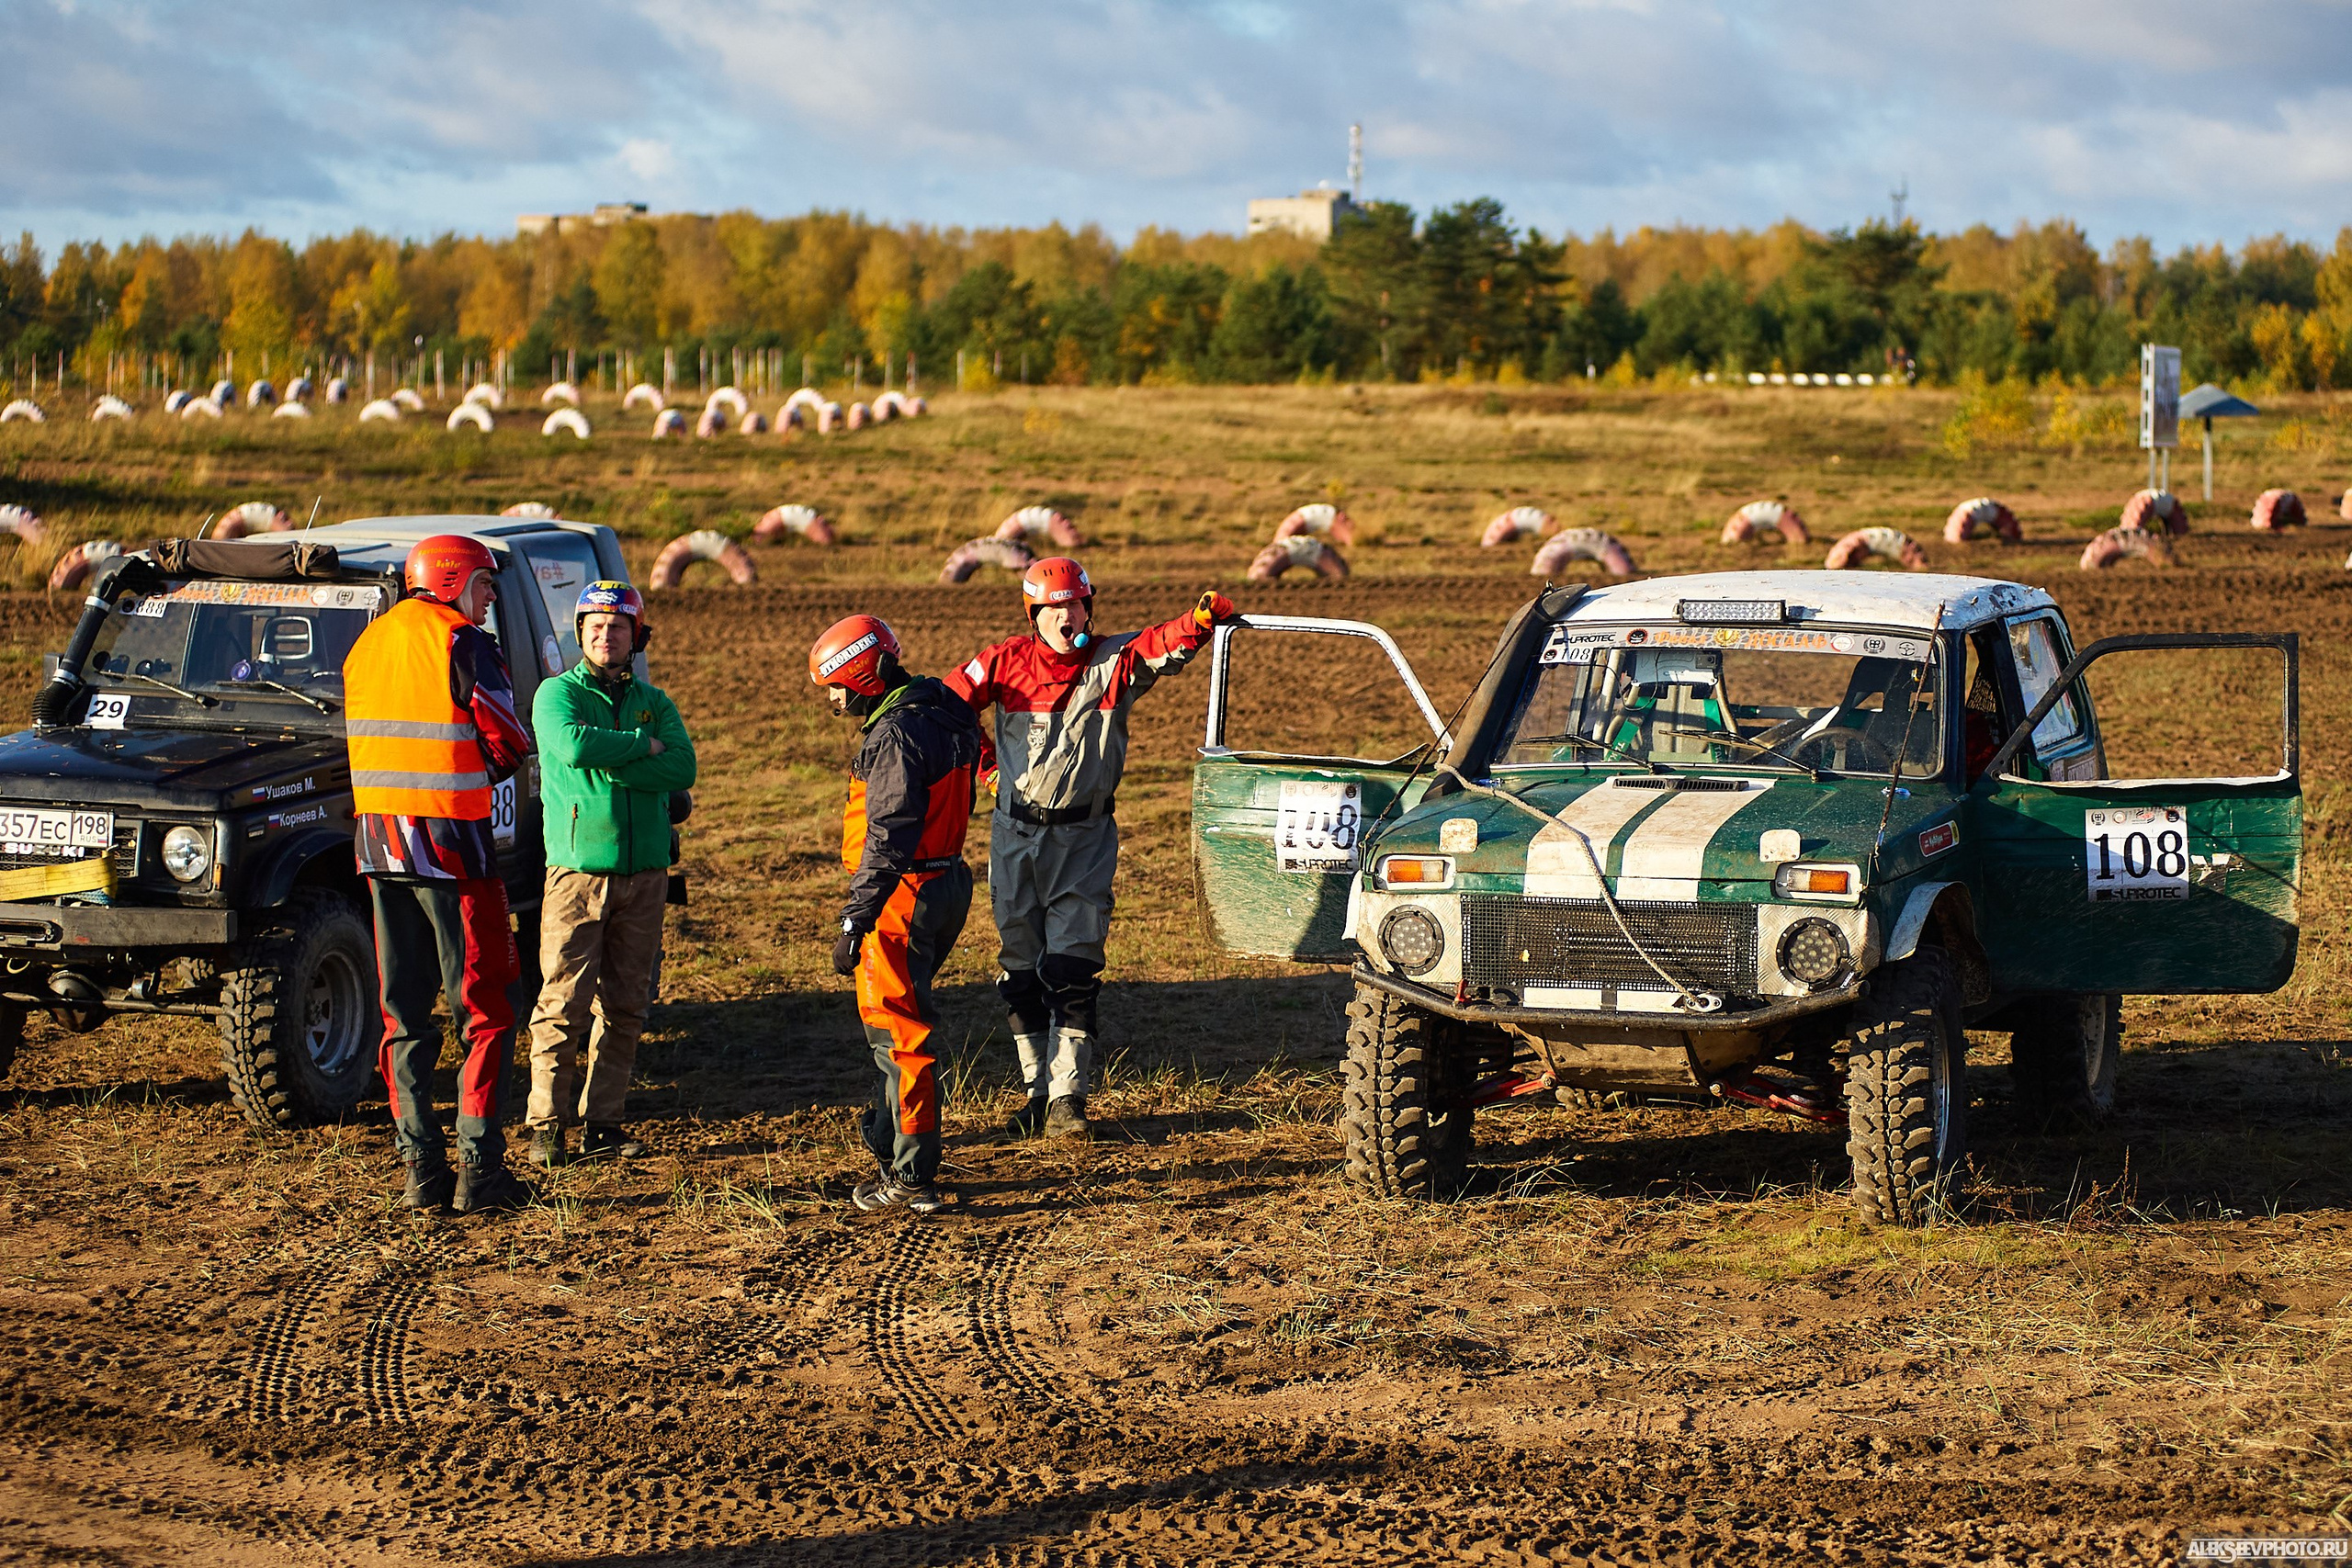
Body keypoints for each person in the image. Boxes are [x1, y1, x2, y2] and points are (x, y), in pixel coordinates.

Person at [946, 560, 1238, 1139]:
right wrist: (985, 767)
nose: (1067, 616)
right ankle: (1036, 1091)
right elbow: (946, 709)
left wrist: (1200, 620)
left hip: (1083, 838)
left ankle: (1067, 1100)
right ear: (1034, 615)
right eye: (1054, 608)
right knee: (1020, 968)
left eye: (1076, 605)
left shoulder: (1114, 662)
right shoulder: (1001, 661)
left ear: (1089, 610)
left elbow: (1161, 646)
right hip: (1012, 836)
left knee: (1072, 966)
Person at [344, 535, 534, 1213]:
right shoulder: (464, 642)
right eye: (484, 585)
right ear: (452, 580)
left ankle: (420, 1170)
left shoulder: (367, 643)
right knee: (486, 1011)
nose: (488, 600)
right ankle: (480, 1170)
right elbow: (508, 743)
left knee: (404, 1014)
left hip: (379, 850)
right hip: (455, 850)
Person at [810, 615, 985, 1215]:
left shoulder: (895, 734)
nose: (835, 702)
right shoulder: (946, 708)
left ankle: (911, 1178)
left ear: (860, 673)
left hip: (901, 896)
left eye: (837, 687)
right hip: (948, 882)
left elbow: (887, 835)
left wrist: (855, 919)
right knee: (903, 1026)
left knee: (899, 1038)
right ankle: (889, 1142)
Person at [525, 581, 696, 1169]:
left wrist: (620, 760)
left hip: (645, 874)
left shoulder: (657, 700)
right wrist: (641, 750)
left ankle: (604, 1124)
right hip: (577, 875)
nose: (605, 635)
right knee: (561, 1004)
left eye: (617, 627)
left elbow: (683, 764)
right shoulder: (555, 695)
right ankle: (547, 1127)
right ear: (580, 633)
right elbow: (572, 748)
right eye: (594, 626)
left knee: (625, 1006)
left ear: (635, 637)